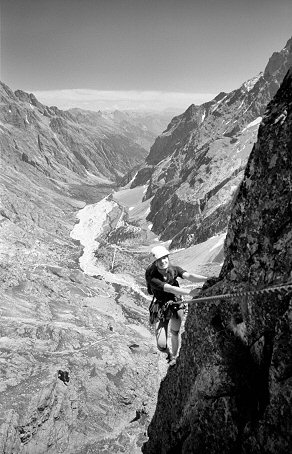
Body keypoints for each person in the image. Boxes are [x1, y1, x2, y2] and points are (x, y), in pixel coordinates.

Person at [148, 245, 207, 366]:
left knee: (175, 332)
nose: (163, 261)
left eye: (165, 258)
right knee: (161, 345)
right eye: (159, 260)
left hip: (176, 304)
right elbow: (169, 288)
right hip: (161, 307)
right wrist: (190, 293)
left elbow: (189, 276)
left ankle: (174, 357)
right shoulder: (151, 276)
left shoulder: (173, 269)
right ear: (155, 263)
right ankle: (168, 353)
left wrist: (208, 279)